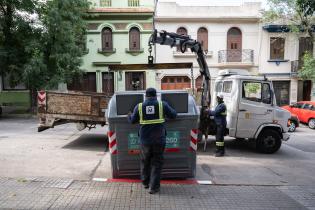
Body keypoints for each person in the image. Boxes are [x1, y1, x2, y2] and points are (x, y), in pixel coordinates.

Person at [128, 88, 177, 194]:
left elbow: (132, 121)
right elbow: (174, 114)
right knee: (156, 163)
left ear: (146, 96)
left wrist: (129, 115)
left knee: (145, 161)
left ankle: (145, 183)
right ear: (155, 96)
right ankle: (154, 188)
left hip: (145, 140)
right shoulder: (162, 105)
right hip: (159, 140)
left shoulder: (139, 106)